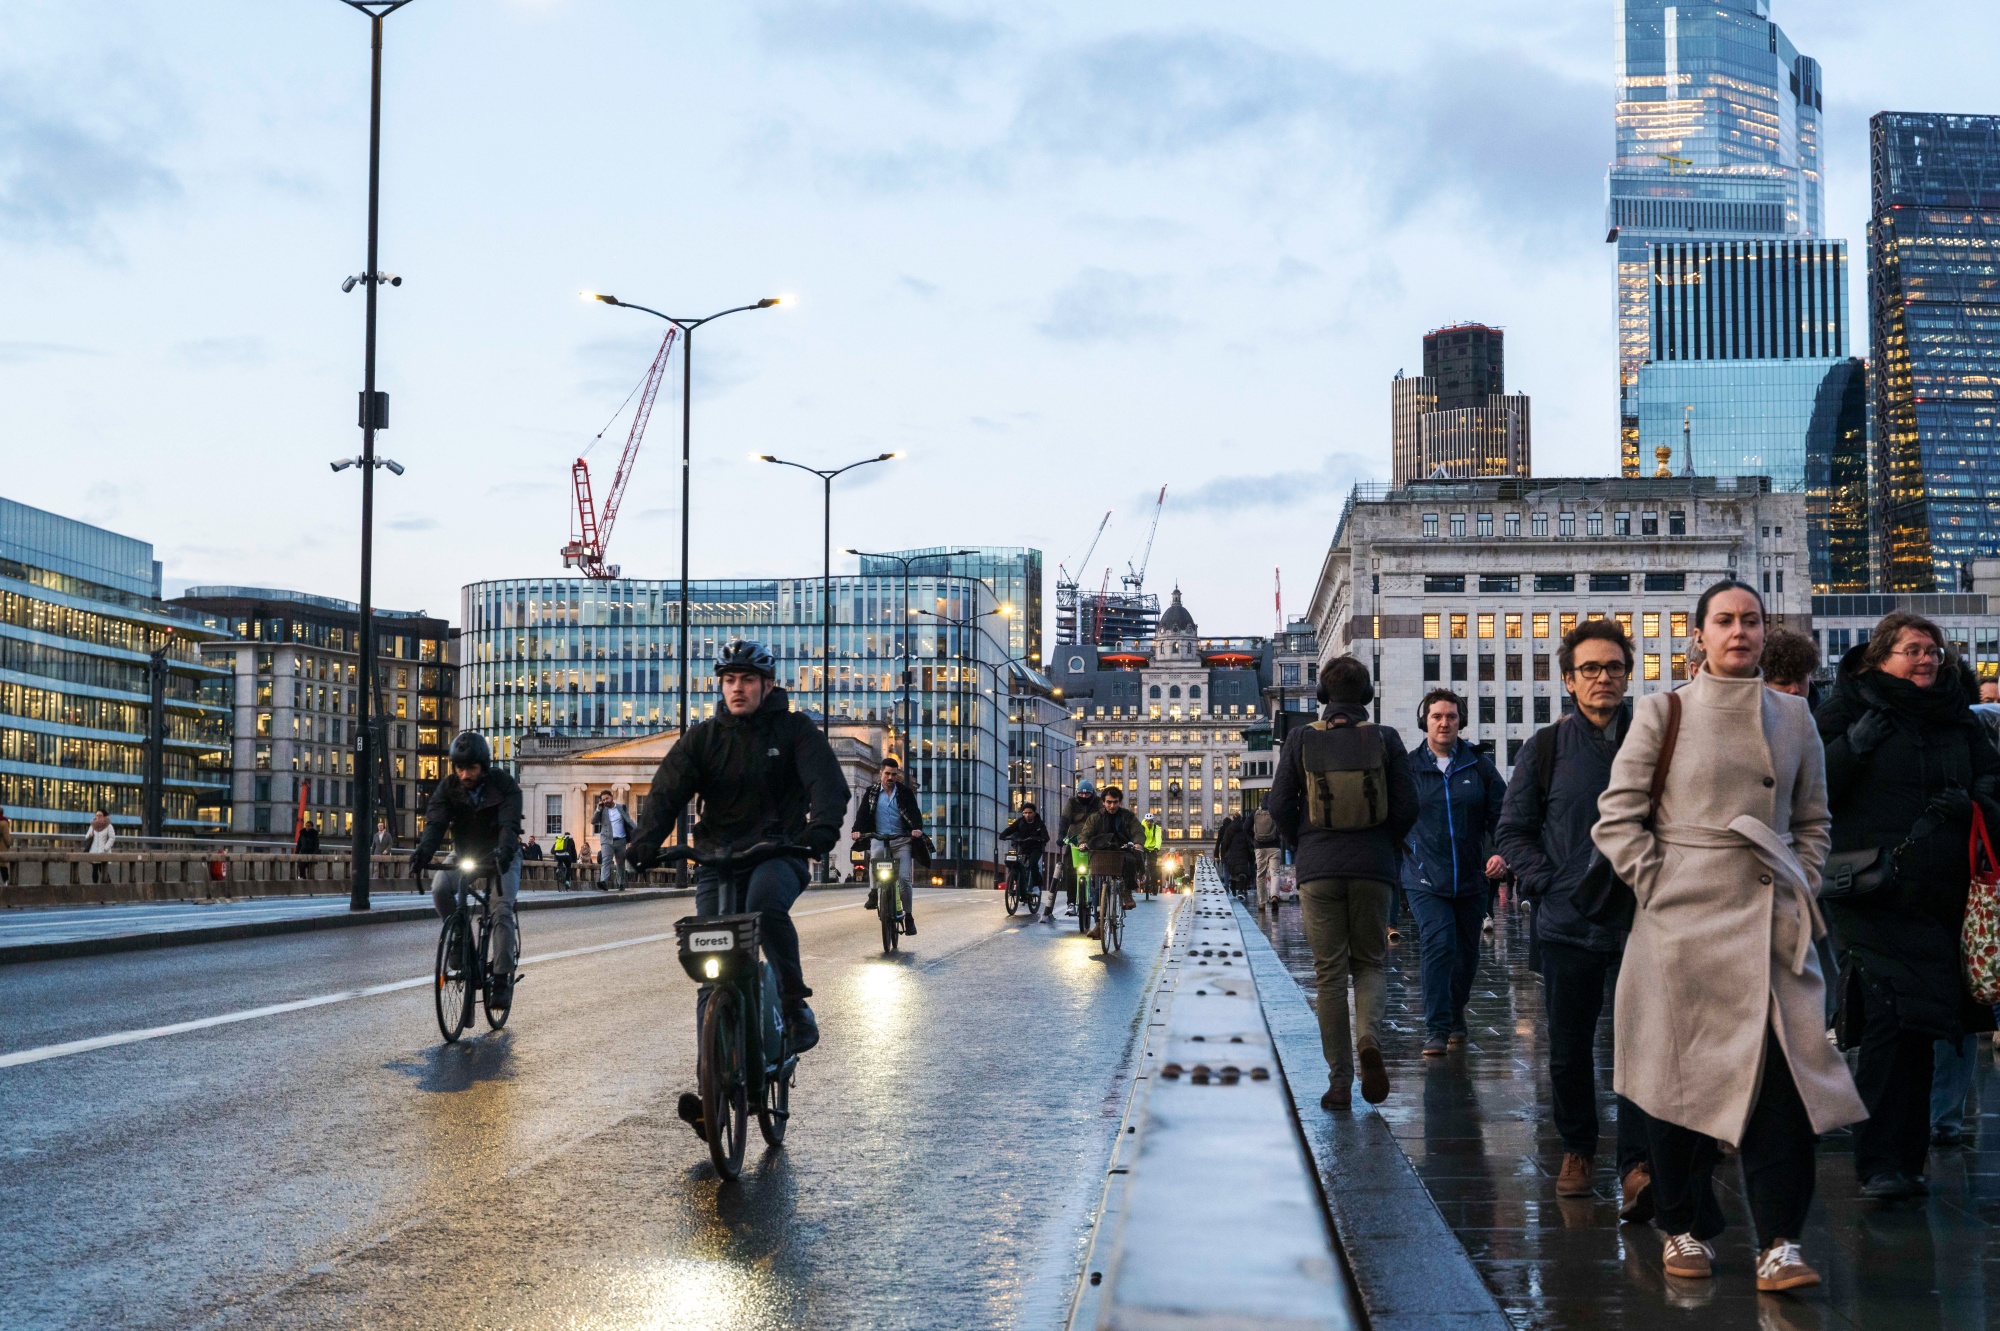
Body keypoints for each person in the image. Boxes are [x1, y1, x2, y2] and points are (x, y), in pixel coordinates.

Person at [1597, 581, 1864, 1292]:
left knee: (1784, 1089)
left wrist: (1798, 878)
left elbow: (1813, 819)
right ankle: (1681, 1226)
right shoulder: (1663, 711)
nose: (1739, 630)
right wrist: (1660, 886)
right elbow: (1617, 819)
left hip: (1770, 927)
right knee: (1678, 1085)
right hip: (1681, 928)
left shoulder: (1796, 716)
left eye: (1750, 619)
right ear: (1700, 634)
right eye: (1725, 620)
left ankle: (1781, 1242)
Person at [625, 639, 849, 1143]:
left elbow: (827, 784)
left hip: (778, 853)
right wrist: (643, 842)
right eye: (729, 681)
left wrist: (821, 830)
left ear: (767, 684)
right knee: (712, 961)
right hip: (717, 859)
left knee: (763, 906)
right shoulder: (704, 739)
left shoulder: (793, 730)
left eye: (747, 680)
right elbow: (666, 791)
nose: (737, 689)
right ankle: (713, 1089)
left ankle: (793, 1002)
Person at [1816, 610, 2000, 1198]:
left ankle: (1906, 1159)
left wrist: (1972, 804)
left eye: (1933, 651)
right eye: (1914, 649)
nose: (1926, 660)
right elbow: (1810, 788)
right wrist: (1851, 748)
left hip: (1940, 895)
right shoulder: (1850, 707)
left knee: (1922, 1023)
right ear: (1881, 658)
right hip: (1870, 891)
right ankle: (1880, 1163)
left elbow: (1993, 780)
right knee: (1891, 1017)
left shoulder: (1957, 716)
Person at [1496, 618, 1653, 1212]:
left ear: (1627, 673)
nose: (1603, 678)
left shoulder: (1653, 738)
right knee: (1568, 1046)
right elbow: (1512, 830)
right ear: (1569, 679)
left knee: (1642, 1043)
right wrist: (1549, 884)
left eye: (1614, 667)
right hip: (1570, 920)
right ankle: (1577, 1148)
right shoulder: (1546, 747)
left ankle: (1637, 1163)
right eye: (1590, 668)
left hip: (1645, 917)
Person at [1269, 655, 1418, 1111]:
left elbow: (1278, 805)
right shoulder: (1385, 738)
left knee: (1329, 975)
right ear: (1367, 697)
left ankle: (1339, 1082)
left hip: (1319, 870)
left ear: (1321, 696)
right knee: (1370, 963)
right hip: (1374, 867)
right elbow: (1409, 804)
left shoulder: (1300, 739)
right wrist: (1386, 844)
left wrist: (1305, 842)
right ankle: (1368, 1038)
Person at [1402, 689, 1507, 1058]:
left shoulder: (1478, 766)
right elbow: (1395, 820)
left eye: (1450, 716)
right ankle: (1436, 1028)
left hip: (1472, 877)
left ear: (1460, 721)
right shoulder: (1409, 768)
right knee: (1439, 944)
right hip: (1424, 877)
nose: (1444, 722)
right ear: (1424, 721)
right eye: (1436, 716)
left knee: (1466, 954)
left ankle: (1456, 1011)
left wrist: (1499, 854)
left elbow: (1504, 816)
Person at [412, 731, 526, 1007]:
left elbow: (509, 826)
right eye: (460, 768)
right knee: (440, 888)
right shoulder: (448, 788)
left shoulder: (504, 785)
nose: (464, 774)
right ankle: (459, 938)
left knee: (501, 910)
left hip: (502, 854)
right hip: (466, 853)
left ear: (483, 767)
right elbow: (436, 823)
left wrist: (505, 850)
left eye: (471, 768)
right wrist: (424, 852)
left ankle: (501, 978)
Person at [854, 756, 926, 935]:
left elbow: (915, 813)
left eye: (894, 774)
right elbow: (862, 814)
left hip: (901, 840)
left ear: (897, 775)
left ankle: (908, 917)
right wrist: (856, 830)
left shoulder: (905, 792)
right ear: (881, 773)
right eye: (887, 773)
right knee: (875, 858)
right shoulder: (871, 792)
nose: (890, 777)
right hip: (879, 838)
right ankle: (873, 893)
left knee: (903, 880)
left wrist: (916, 828)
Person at [1078, 784, 1145, 940]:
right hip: (1101, 853)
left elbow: (1137, 831)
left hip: (1121, 851)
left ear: (1120, 802)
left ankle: (1127, 893)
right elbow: (1085, 833)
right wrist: (1083, 843)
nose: (1112, 805)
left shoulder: (1128, 816)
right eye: (1109, 802)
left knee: (1129, 859)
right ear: (1103, 802)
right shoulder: (1096, 818)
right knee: (1096, 890)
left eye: (1115, 802)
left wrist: (1138, 843)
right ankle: (1099, 925)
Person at [1057, 779, 1103, 920]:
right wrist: (1061, 836)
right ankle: (1071, 903)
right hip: (1075, 840)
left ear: (1092, 793)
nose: (1084, 796)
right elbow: (1064, 820)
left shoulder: (1098, 803)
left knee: (1099, 871)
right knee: (1070, 870)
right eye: (1081, 794)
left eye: (1087, 794)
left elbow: (1103, 818)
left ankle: (1100, 902)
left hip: (1093, 840)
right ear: (1077, 793)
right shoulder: (1071, 802)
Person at [1000, 801, 1050, 907]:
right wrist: (1003, 835)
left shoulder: (1039, 823)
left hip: (1036, 848)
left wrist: (1039, 839)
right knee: (1014, 862)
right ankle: (1016, 881)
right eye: (1025, 813)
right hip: (1023, 847)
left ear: (1034, 813)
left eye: (1030, 813)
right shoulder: (1020, 822)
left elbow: (1046, 837)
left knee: (1032, 864)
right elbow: (1010, 829)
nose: (1027, 815)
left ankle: (1036, 886)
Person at [1761, 627, 1821, 701]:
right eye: (1784, 683)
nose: (1794, 690)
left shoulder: (1825, 710)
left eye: (1799, 679)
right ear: (1765, 684)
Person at [593, 792, 632, 891]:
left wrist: (630, 840)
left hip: (621, 840)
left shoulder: (622, 807)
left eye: (607, 798)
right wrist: (598, 810)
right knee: (606, 860)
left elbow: (628, 823)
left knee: (620, 863)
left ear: (612, 797)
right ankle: (604, 882)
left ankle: (621, 883)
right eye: (603, 800)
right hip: (607, 840)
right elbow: (593, 821)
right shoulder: (602, 810)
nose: (606, 801)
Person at [1215, 811, 1255, 902]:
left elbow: (1225, 843)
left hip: (1232, 855)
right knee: (1242, 873)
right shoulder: (1244, 828)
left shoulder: (1229, 829)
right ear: (1240, 818)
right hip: (1243, 854)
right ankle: (1241, 891)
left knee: (1233, 874)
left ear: (1233, 818)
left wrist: (1224, 854)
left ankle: (1233, 890)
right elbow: (1249, 842)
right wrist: (1251, 855)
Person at [1252, 797, 1283, 912]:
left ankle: (1262, 903)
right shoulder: (1274, 813)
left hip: (1260, 848)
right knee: (1275, 873)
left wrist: (1253, 841)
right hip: (1274, 847)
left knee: (1260, 875)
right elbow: (1281, 826)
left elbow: (1245, 827)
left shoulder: (1255, 813)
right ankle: (1274, 896)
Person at [1141, 813, 1163, 894]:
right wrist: (1139, 845)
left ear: (1152, 821)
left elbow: (1158, 838)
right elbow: (1139, 836)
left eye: (1150, 821)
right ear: (1145, 821)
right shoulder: (1142, 827)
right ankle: (1141, 876)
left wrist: (1157, 847)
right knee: (1140, 862)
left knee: (1153, 868)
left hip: (1153, 848)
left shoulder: (1156, 828)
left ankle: (1154, 886)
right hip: (1143, 847)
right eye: (1147, 821)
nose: (1149, 823)